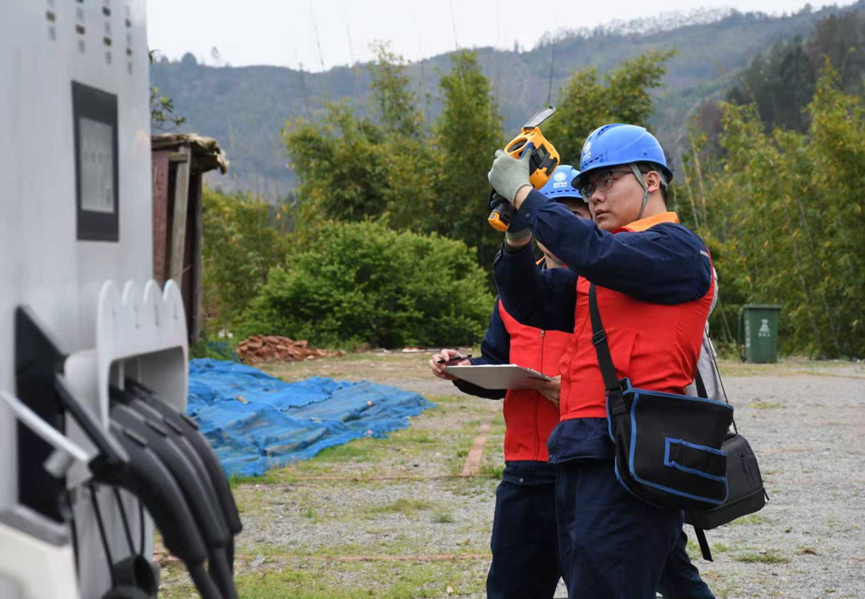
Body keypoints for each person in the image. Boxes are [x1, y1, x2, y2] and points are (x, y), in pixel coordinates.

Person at [486, 125, 715, 598]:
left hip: (633, 454)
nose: (595, 196)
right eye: (589, 187)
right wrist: (518, 236)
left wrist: (527, 194)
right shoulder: (605, 267)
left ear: (651, 180)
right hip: (581, 452)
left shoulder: (679, 250)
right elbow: (528, 301)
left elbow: (596, 251)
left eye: (608, 180)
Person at [429, 165, 586, 599]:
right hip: (525, 475)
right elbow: (496, 367)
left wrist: (566, 392)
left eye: (575, 216)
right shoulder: (515, 292)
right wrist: (462, 368)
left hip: (588, 471)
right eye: (552, 216)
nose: (561, 228)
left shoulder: (606, 290)